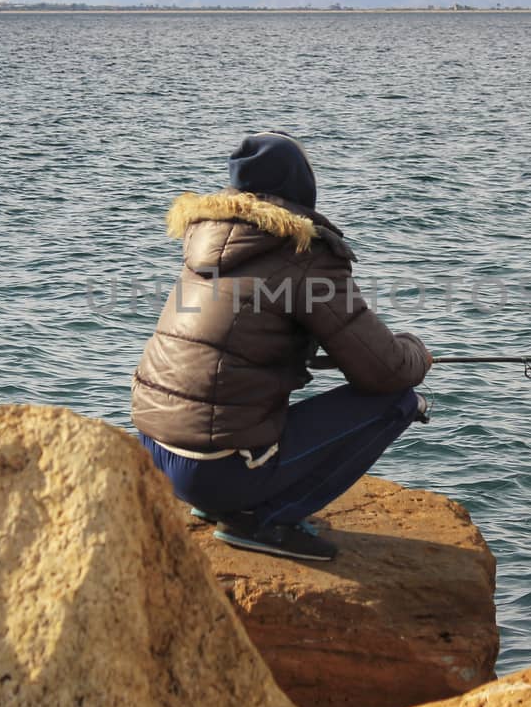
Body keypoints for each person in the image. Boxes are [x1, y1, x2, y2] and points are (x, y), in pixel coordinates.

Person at [131, 131, 432, 561]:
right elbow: (384, 370)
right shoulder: (306, 254)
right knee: (397, 400)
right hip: (214, 469)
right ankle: (263, 520)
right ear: (301, 187)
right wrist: (417, 352)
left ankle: (222, 500)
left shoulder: (203, 245)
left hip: (154, 449)